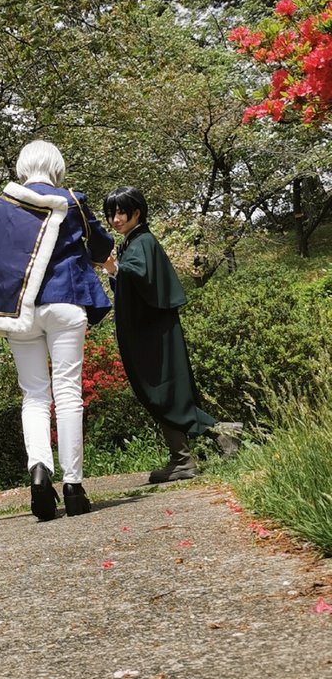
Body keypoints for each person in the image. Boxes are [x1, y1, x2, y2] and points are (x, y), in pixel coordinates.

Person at [0, 140, 114, 521]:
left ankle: (39, 471)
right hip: (66, 302)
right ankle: (73, 487)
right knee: (68, 393)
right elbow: (100, 246)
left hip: (21, 309)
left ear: (23, 167)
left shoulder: (9, 205)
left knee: (35, 395)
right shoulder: (71, 200)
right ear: (57, 166)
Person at [102, 186, 242, 483]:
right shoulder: (134, 242)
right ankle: (192, 452)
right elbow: (133, 284)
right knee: (163, 393)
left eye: (121, 212)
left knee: (163, 393)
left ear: (137, 212)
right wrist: (116, 271)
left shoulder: (142, 242)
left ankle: (191, 453)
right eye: (111, 214)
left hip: (154, 333)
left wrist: (114, 268)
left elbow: (139, 278)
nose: (115, 219)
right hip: (152, 331)